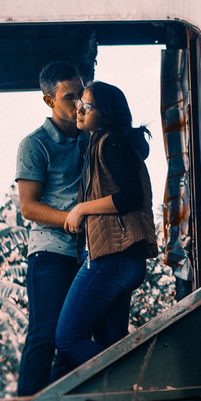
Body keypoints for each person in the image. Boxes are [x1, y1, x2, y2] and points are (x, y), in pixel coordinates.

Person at [51, 81, 158, 382]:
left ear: (107, 113)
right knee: (114, 347)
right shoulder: (104, 141)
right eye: (78, 105)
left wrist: (81, 209)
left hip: (114, 256)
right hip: (124, 258)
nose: (79, 110)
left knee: (68, 340)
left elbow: (131, 196)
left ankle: (139, 382)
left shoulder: (111, 143)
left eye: (87, 106)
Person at [15, 61, 88, 397]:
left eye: (82, 94)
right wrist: (71, 218)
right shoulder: (35, 144)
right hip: (50, 253)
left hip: (91, 254)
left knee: (76, 339)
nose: (79, 103)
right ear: (49, 101)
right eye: (69, 97)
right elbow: (28, 206)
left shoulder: (93, 135)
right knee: (45, 335)